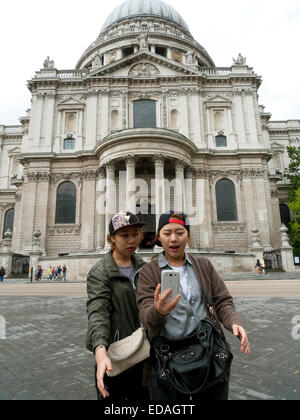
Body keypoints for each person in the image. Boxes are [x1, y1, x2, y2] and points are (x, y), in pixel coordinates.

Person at [137, 211, 250, 401]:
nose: (174, 239)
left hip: (208, 351)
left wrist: (234, 323)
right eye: (167, 233)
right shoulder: (149, 272)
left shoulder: (204, 266)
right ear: (158, 237)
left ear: (188, 236)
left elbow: (222, 300)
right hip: (168, 358)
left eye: (180, 233)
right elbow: (146, 318)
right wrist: (158, 311)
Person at [86, 211, 150, 401]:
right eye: (124, 235)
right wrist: (100, 351)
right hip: (115, 357)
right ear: (111, 239)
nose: (132, 240)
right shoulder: (100, 272)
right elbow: (98, 312)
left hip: (144, 355)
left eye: (135, 234)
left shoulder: (145, 267)